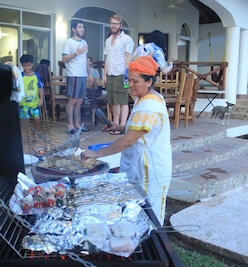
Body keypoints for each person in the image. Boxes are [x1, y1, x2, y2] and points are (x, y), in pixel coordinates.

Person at [81, 56, 172, 226]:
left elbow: (128, 140)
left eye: (135, 81)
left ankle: (153, 242)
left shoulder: (149, 106)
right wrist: (119, 126)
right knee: (137, 210)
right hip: (142, 166)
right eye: (128, 80)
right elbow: (140, 129)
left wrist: (96, 153)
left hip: (150, 170)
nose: (130, 85)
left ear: (149, 81)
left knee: (150, 213)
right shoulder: (146, 97)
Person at [104, 14, 134, 134]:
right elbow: (107, 58)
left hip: (122, 74)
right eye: (112, 23)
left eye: (116, 24)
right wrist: (104, 75)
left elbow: (128, 58)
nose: (113, 26)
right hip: (110, 74)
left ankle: (122, 126)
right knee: (113, 101)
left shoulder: (127, 39)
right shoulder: (108, 40)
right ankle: (115, 125)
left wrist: (127, 76)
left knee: (122, 100)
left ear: (120, 25)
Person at [62, 20, 93, 134]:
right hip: (73, 74)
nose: (82, 29)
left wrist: (90, 74)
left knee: (80, 101)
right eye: (79, 27)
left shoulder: (84, 42)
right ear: (73, 29)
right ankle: (70, 125)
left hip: (82, 75)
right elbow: (64, 59)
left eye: (83, 27)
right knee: (73, 100)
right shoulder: (69, 42)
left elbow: (85, 60)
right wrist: (76, 53)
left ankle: (77, 124)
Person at [19, 54, 44, 143]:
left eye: (28, 65)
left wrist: (41, 99)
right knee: (26, 120)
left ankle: (36, 133)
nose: (26, 68)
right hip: (23, 103)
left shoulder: (36, 75)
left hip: (35, 102)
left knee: (37, 119)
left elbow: (40, 87)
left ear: (32, 64)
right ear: (22, 65)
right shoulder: (20, 76)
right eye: (24, 66)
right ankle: (29, 135)